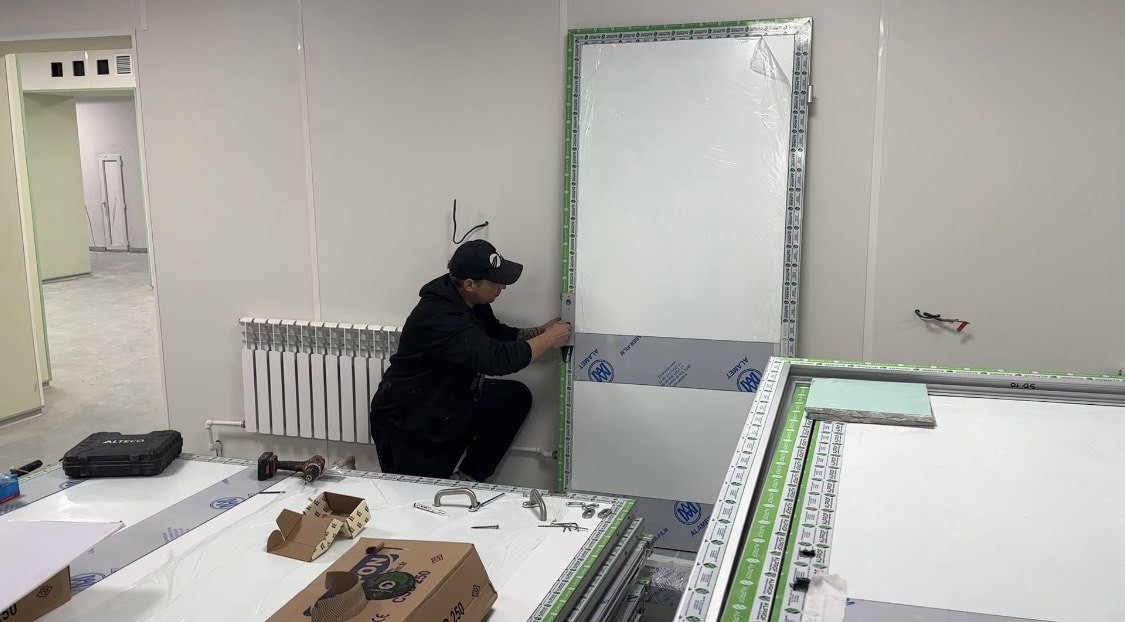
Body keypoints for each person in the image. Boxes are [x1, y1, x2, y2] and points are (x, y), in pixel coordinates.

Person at [369, 239, 571, 481]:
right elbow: (496, 360)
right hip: (410, 423)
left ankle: (468, 477)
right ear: (470, 284)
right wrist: (547, 340)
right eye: (496, 282)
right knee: (419, 496)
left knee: (513, 398)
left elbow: (495, 333)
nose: (502, 287)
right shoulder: (441, 316)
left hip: (447, 398)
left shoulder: (470, 300)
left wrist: (540, 331)